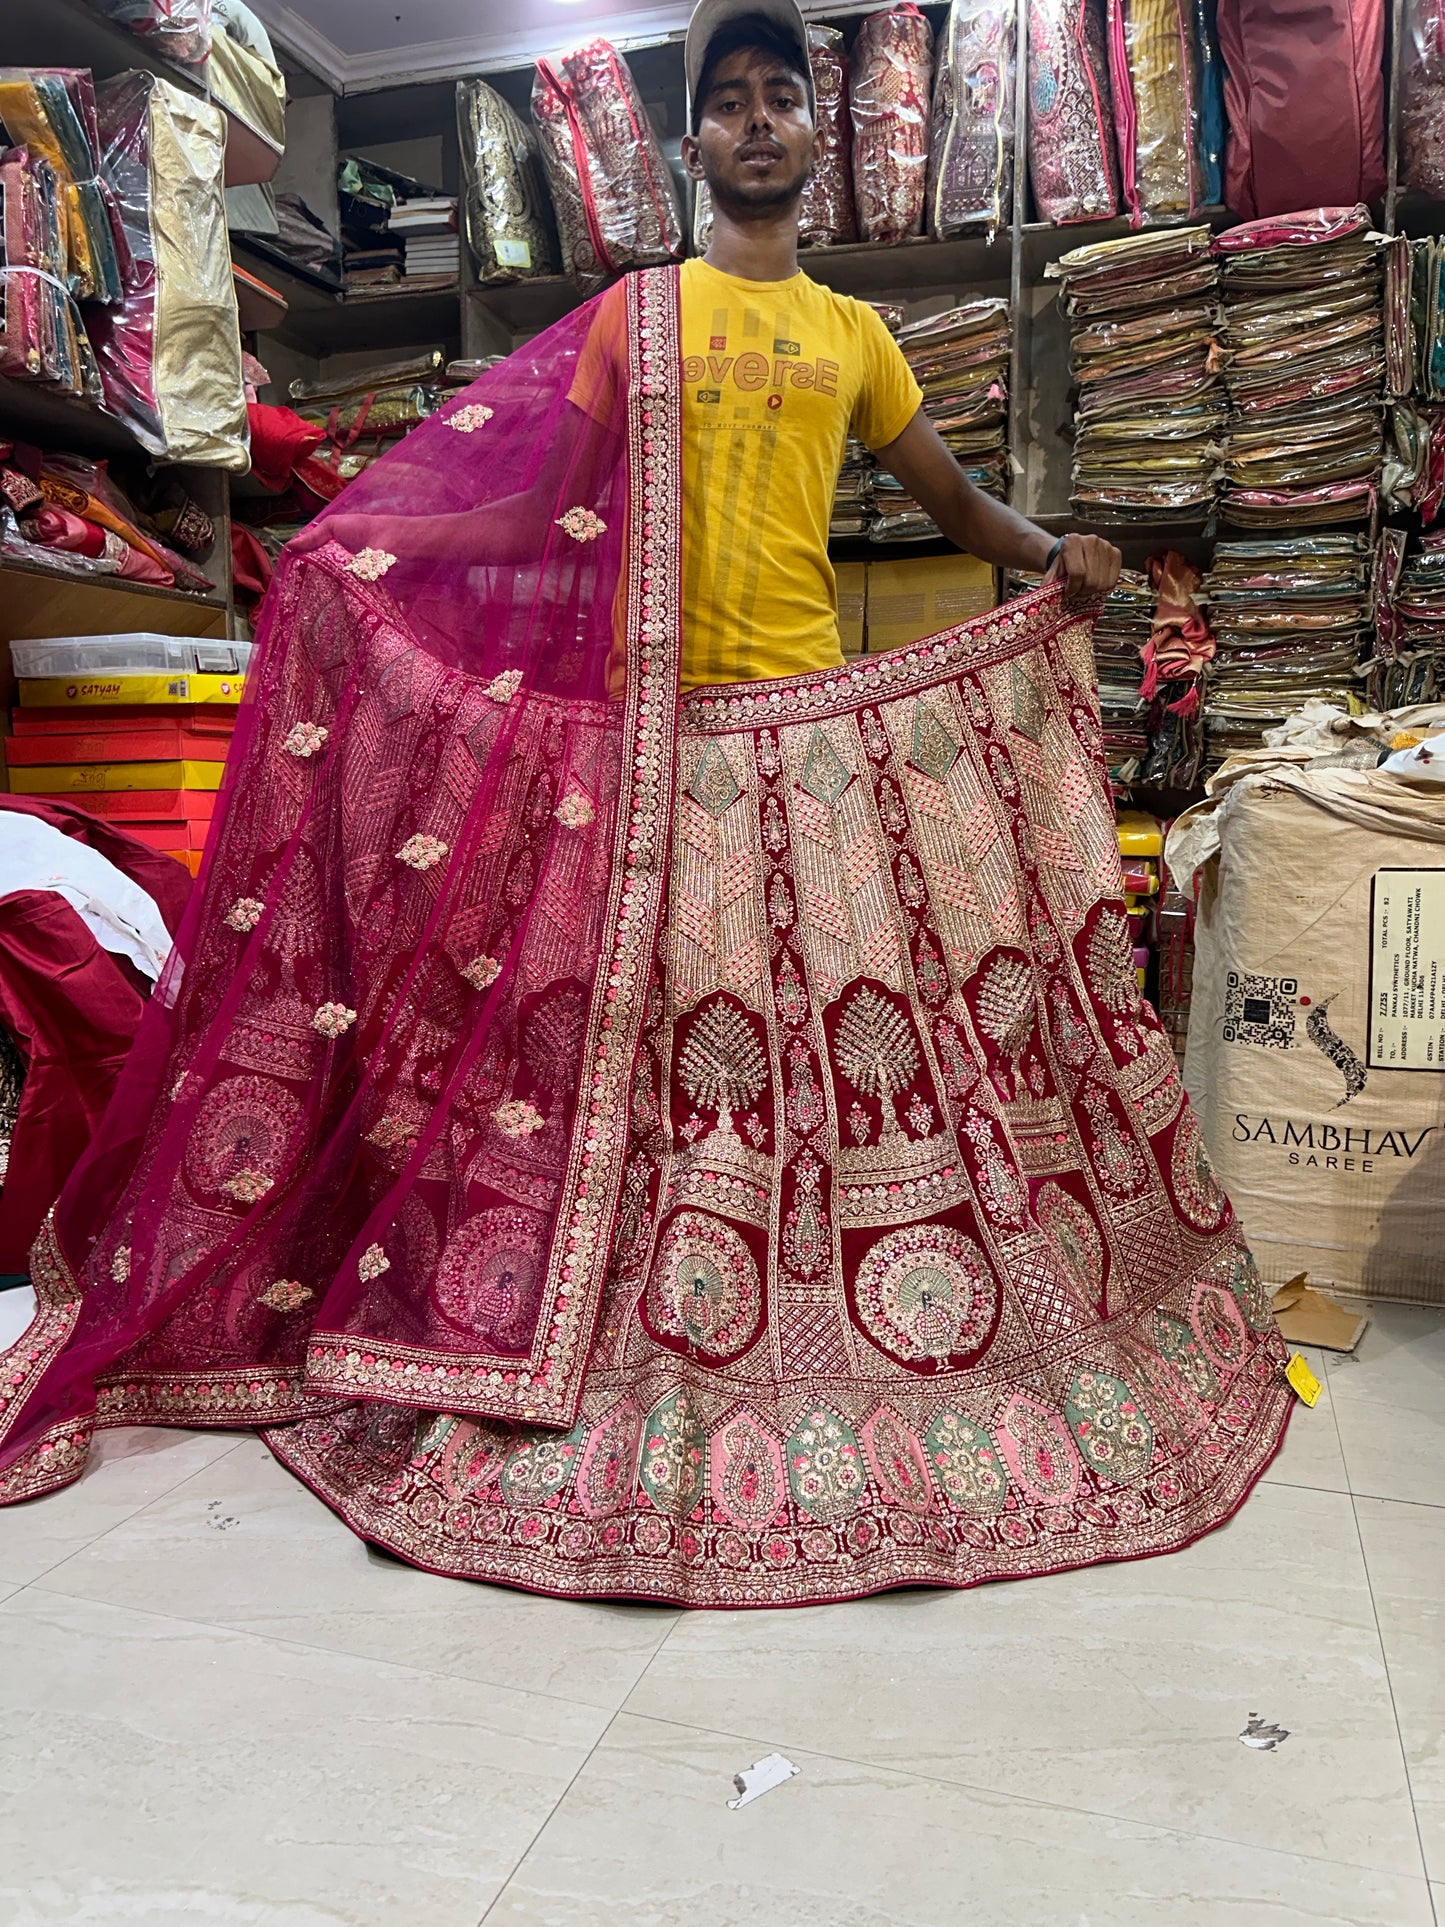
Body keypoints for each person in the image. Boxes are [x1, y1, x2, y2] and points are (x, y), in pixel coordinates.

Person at [0, 1, 1291, 1607]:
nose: (753, 124)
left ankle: (834, 1321)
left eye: (778, 100)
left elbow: (948, 500)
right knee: (655, 1051)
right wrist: (362, 556)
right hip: (647, 756)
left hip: (805, 745)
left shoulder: (853, 337)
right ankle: (652, 1308)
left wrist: (1055, 561)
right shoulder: (637, 318)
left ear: (812, 137)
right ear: (695, 143)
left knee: (824, 1056)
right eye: (728, 103)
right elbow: (549, 513)